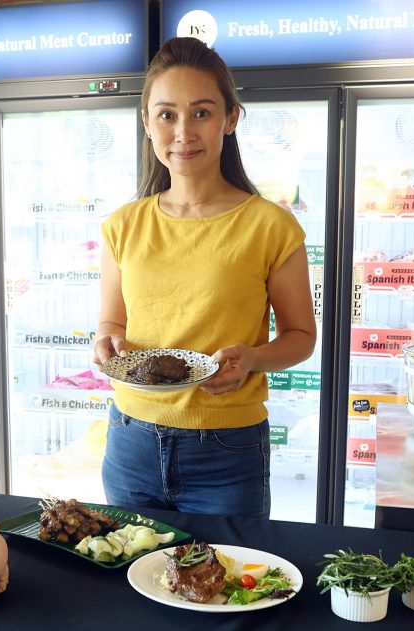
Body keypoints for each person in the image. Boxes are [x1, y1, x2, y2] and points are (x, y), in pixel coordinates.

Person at [92, 36, 317, 519]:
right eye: (167, 114)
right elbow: (111, 324)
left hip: (227, 450)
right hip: (130, 440)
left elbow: (301, 338)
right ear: (147, 122)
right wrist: (106, 343)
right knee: (131, 584)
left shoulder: (270, 226)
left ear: (231, 119)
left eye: (201, 113)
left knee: (231, 587)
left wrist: (253, 358)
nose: (183, 132)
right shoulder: (122, 226)